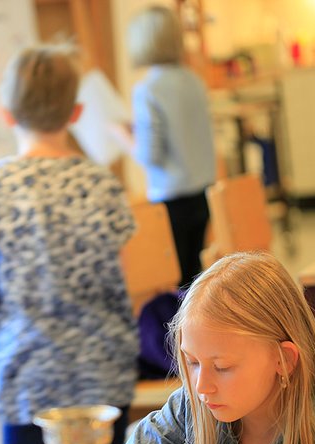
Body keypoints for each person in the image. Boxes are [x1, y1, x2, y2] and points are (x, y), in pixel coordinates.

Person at [0, 44, 139, 444]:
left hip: (27, 373)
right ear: (76, 113)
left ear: (5, 114)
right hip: (102, 372)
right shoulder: (101, 183)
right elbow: (126, 279)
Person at [112, 251, 315, 444]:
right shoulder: (189, 407)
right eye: (192, 362)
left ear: (283, 360)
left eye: (222, 367)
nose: (201, 387)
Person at [112, 5, 215, 288]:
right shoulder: (193, 80)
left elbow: (150, 155)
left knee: (176, 278)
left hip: (171, 198)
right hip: (202, 191)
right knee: (193, 274)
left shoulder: (148, 89)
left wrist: (122, 136)